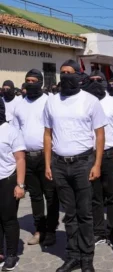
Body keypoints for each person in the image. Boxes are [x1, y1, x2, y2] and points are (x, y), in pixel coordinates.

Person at [44, 59, 108, 272]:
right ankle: (73, 256)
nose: (65, 76)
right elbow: (47, 134)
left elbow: (100, 135)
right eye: (62, 72)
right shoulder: (52, 101)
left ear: (79, 75)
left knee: (85, 213)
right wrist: (48, 164)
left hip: (83, 163)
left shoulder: (90, 101)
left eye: (70, 72)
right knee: (69, 214)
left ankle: (87, 258)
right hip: (59, 164)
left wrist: (97, 163)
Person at [12, 69, 60, 247]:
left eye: (33, 80)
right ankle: (39, 229)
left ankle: (52, 230)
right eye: (27, 80)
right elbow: (15, 131)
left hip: (46, 157)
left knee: (51, 195)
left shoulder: (50, 101)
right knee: (35, 196)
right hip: (27, 158)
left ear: (40, 82)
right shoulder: (19, 104)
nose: (30, 83)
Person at [85, 71, 113, 248]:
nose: (96, 83)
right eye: (92, 80)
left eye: (99, 80)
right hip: (91, 155)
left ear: (105, 83)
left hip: (111, 154)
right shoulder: (84, 103)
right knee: (94, 196)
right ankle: (98, 232)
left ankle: (111, 231)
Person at [0, 98, 26, 271]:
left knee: (8, 219)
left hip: (8, 180)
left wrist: (20, 185)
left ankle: (11, 254)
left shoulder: (10, 131)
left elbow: (20, 159)